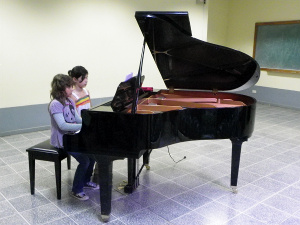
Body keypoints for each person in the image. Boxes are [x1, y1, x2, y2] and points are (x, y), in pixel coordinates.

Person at [48, 74, 98, 201]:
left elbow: (76, 119)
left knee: (92, 155)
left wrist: (88, 124)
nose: (72, 89)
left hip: (72, 137)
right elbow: (63, 125)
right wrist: (83, 127)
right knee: (85, 160)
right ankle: (76, 190)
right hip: (62, 140)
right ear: (60, 89)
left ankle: (86, 181)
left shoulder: (70, 101)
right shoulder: (55, 104)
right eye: (69, 87)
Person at [68, 66, 99, 184]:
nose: (86, 80)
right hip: (79, 128)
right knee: (88, 155)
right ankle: (83, 181)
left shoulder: (86, 91)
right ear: (75, 79)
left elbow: (90, 109)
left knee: (94, 153)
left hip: (87, 125)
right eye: (83, 78)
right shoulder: (72, 95)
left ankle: (87, 179)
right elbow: (73, 116)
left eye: (87, 78)